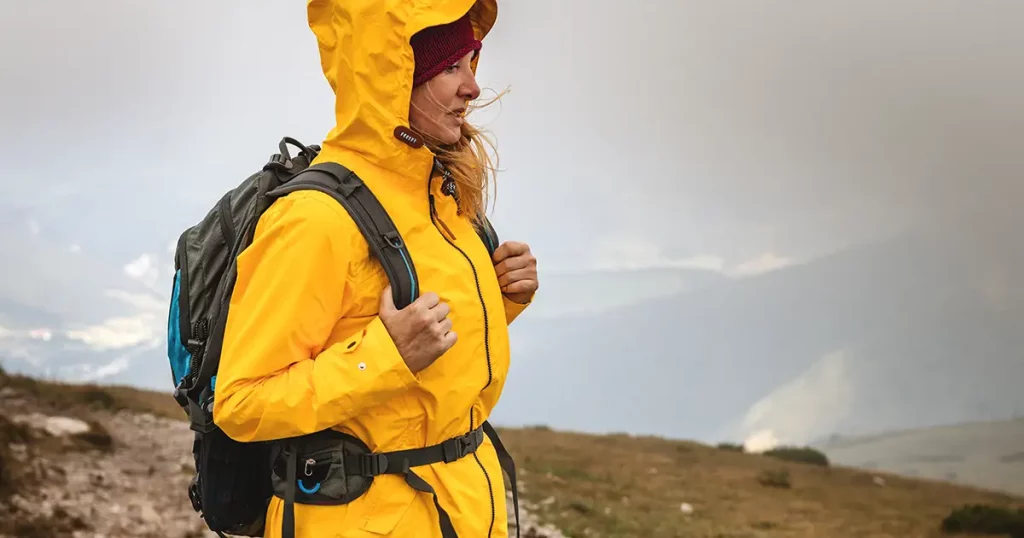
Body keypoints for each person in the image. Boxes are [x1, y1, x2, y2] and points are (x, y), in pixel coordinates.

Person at [210, 1, 536, 537]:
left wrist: (502, 299)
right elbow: (243, 403)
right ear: (394, 77)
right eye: (451, 67)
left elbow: (431, 362)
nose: (473, 88)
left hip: (464, 507)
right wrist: (386, 356)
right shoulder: (315, 218)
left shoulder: (440, 194)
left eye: (471, 63)